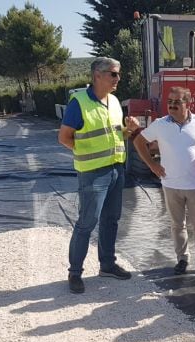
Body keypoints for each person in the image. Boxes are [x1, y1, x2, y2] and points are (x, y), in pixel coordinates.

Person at [126, 87, 195, 276]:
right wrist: (152, 165)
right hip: (170, 185)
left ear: (188, 104)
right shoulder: (160, 124)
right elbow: (138, 141)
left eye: (177, 102)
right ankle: (182, 260)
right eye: (170, 102)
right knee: (177, 225)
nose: (172, 105)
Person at [58, 57, 132, 294]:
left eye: (118, 74)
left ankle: (107, 265)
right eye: (113, 74)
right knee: (87, 223)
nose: (117, 78)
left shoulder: (115, 101)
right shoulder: (78, 102)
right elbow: (64, 137)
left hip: (116, 169)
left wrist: (127, 131)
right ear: (97, 75)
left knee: (111, 220)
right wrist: (85, 153)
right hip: (92, 174)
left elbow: (117, 134)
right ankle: (75, 272)